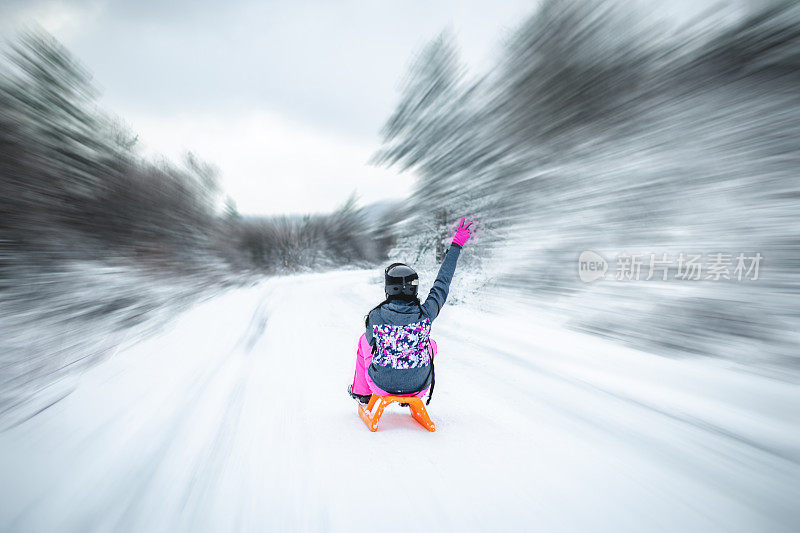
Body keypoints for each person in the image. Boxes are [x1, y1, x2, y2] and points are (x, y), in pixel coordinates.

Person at [348, 217, 474, 405]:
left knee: (364, 342)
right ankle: (408, 393)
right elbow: (442, 283)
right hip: (419, 387)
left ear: (389, 288)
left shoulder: (376, 316)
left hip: (381, 386)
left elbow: (371, 345)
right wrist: (456, 246)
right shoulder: (426, 313)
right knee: (431, 344)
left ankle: (362, 393)